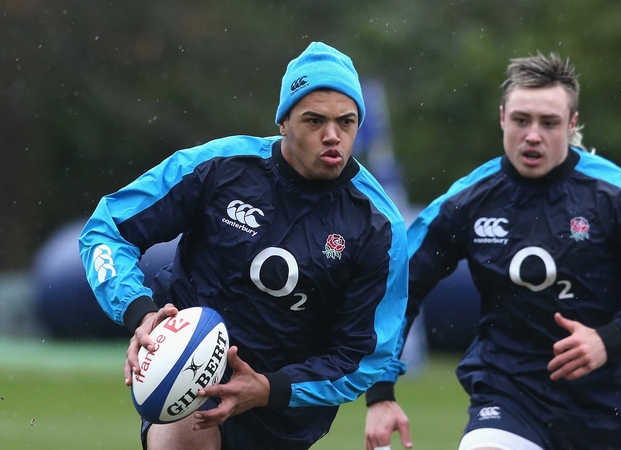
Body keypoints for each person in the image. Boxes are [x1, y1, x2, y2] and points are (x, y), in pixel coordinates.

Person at [79, 41, 409, 450]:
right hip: (191, 376)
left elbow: (364, 356)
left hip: (283, 413)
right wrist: (140, 313)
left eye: (346, 122)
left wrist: (269, 388)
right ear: (283, 122)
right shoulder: (219, 168)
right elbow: (107, 229)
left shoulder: (380, 226)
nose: (332, 136)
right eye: (314, 120)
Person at [363, 52, 621, 450]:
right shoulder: (469, 199)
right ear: (503, 117)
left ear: (572, 124)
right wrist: (381, 391)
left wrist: (608, 339)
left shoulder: (619, 198)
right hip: (505, 393)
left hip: (598, 406)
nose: (533, 135)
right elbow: (399, 282)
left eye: (549, 123)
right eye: (522, 120)